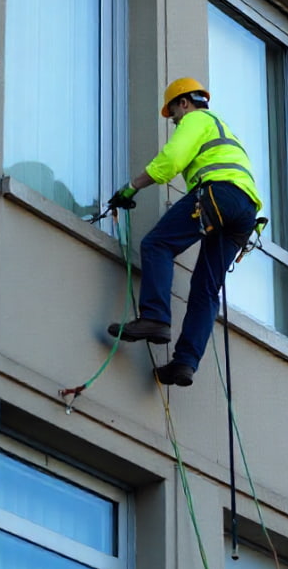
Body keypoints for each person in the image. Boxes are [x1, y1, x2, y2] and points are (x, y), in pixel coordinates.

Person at [105, 78, 263, 386]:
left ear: (184, 103)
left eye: (173, 113)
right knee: (206, 287)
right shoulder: (224, 129)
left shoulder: (196, 119)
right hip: (245, 211)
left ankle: (155, 319)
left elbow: (172, 160)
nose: (175, 120)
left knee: (157, 244)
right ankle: (184, 364)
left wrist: (131, 188)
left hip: (219, 193)